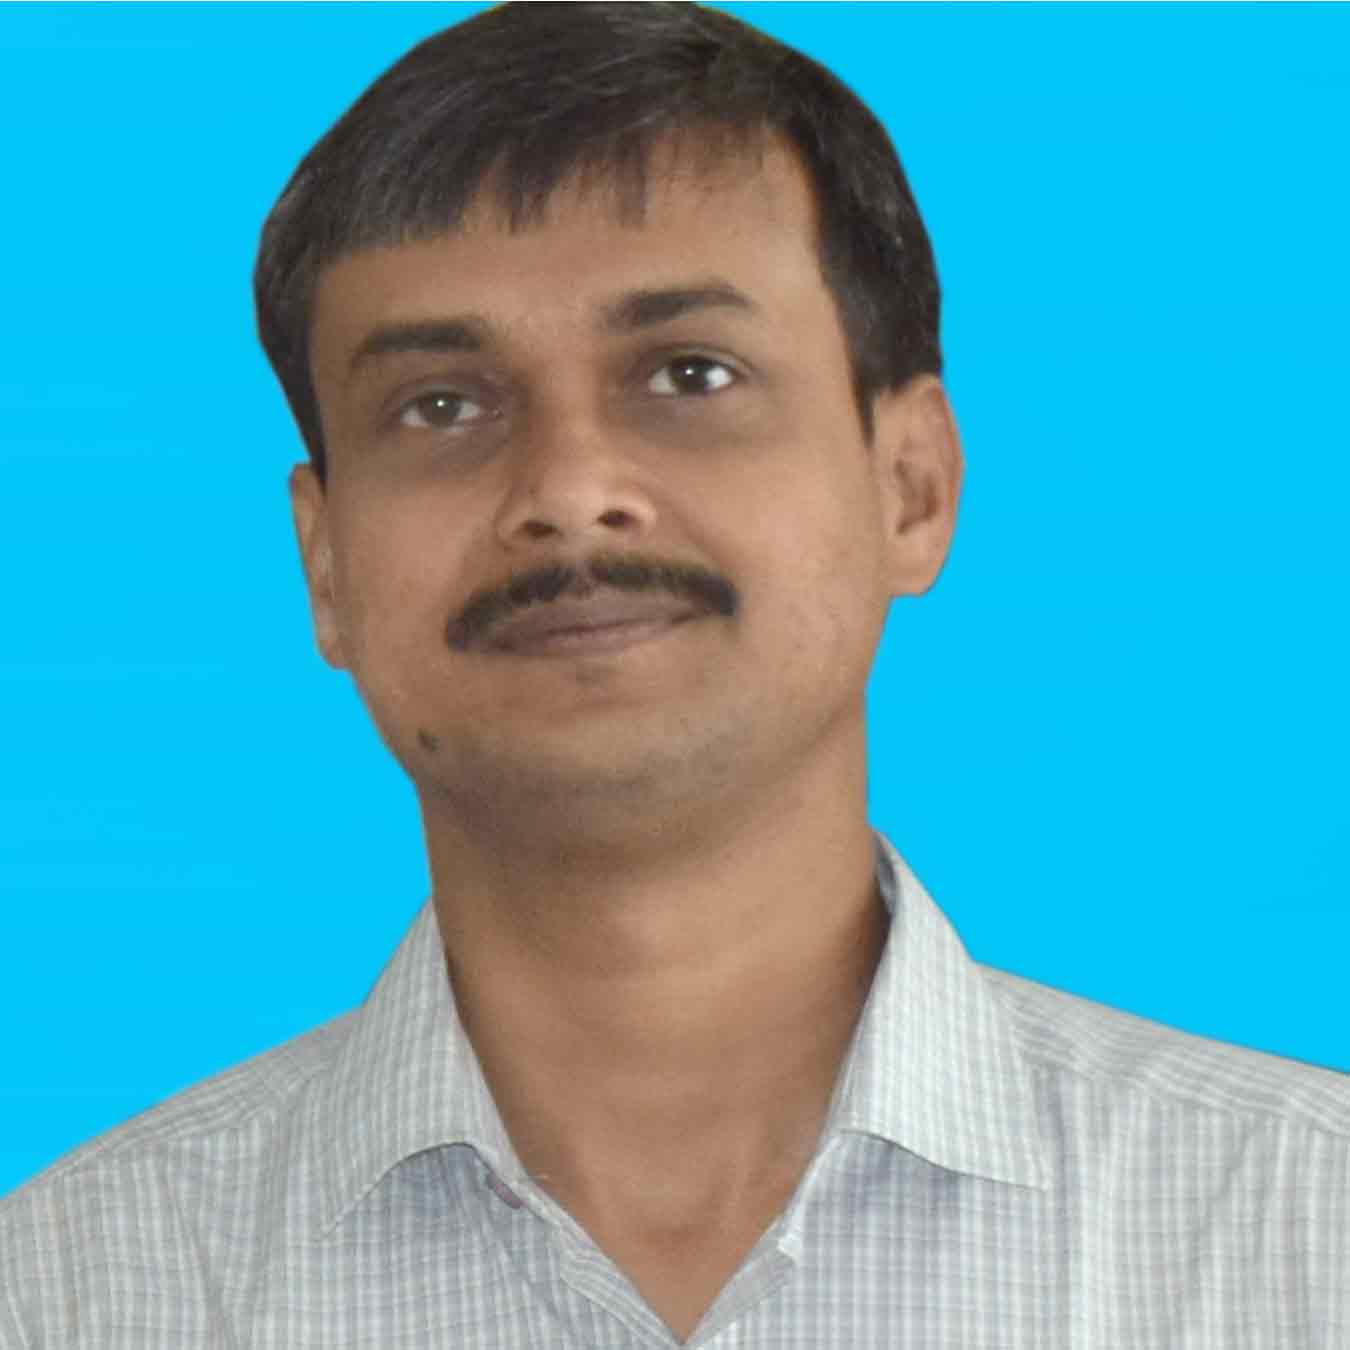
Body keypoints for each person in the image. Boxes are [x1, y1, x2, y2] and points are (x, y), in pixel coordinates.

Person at [2, 3, 1346, 1345]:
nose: (569, 490)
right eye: (441, 404)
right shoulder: (66, 1292)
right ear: (327, 566)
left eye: (688, 374)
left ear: (911, 485)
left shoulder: (1303, 1231)